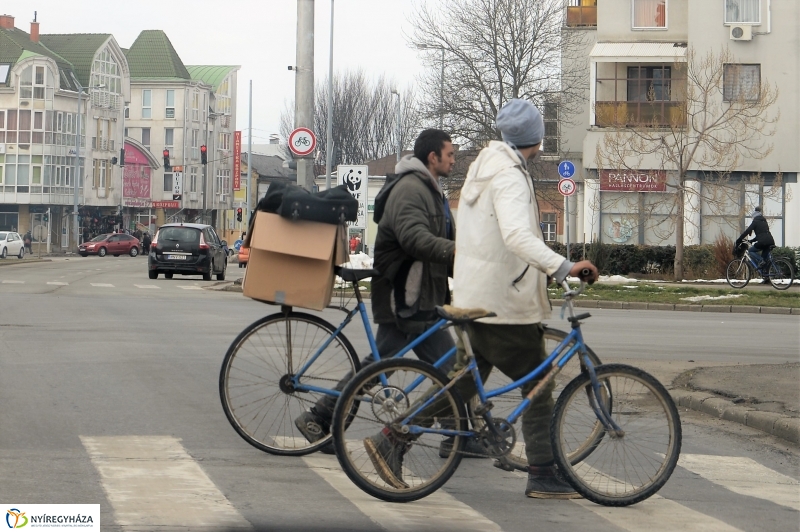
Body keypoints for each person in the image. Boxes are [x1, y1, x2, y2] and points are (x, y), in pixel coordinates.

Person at [362, 100, 599, 498]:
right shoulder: (507, 175)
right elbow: (518, 237)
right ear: (536, 139)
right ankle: (543, 471)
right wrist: (563, 266)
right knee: (540, 382)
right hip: (502, 303)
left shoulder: (483, 168)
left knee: (460, 387)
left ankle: (393, 438)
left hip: (478, 294)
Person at [294, 129, 472, 455]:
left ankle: (460, 435)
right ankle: (320, 417)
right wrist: (456, 252)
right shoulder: (410, 190)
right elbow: (414, 237)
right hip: (405, 295)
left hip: (421, 296)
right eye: (450, 154)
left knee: (439, 366)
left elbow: (438, 236)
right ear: (433, 157)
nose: (453, 160)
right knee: (405, 366)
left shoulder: (430, 189)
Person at [735, 206, 775, 283]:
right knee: (764, 261)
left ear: (754, 216)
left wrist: (739, 239)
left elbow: (747, 231)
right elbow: (762, 234)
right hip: (770, 241)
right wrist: (752, 240)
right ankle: (766, 278)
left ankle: (761, 260)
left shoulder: (755, 221)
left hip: (763, 242)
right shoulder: (764, 221)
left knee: (750, 251)